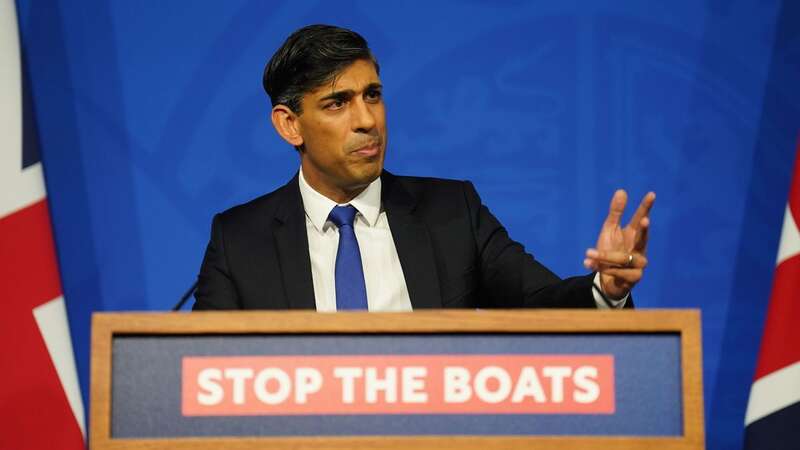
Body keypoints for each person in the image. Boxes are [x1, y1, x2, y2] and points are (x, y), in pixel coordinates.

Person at [193, 24, 654, 311]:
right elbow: (200, 374)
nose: (368, 120)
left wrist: (606, 290)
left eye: (372, 95)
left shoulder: (452, 212)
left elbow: (538, 303)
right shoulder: (239, 239)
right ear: (290, 125)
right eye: (338, 104)